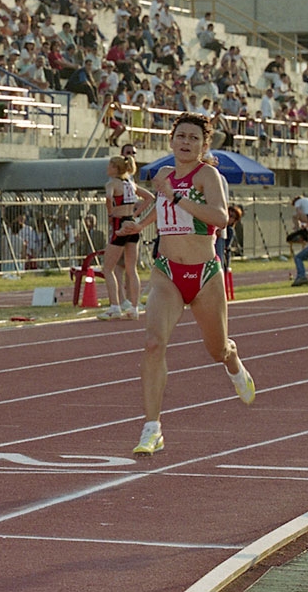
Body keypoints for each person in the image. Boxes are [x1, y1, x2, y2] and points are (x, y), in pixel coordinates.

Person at [116, 113, 255, 456]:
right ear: (171, 139)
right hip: (167, 273)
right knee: (152, 343)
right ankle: (152, 428)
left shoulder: (209, 175)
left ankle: (233, 359)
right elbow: (161, 207)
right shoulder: (163, 174)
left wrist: (178, 198)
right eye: (181, 136)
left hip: (204, 274)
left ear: (204, 144)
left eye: (194, 138)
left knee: (216, 350)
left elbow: (220, 217)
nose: (186, 142)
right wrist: (140, 225)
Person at [96, 154, 152, 321]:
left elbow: (108, 198)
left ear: (115, 168)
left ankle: (115, 306)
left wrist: (111, 213)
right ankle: (134, 307)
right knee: (131, 268)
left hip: (120, 224)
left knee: (108, 268)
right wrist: (136, 214)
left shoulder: (112, 183)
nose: (107, 168)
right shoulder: (131, 184)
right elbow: (150, 197)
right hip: (132, 224)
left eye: (109, 165)